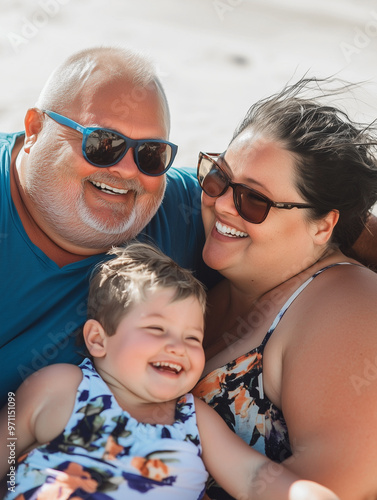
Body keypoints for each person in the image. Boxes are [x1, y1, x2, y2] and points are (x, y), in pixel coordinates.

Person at [0, 243, 338, 500]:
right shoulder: (60, 386)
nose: (177, 346)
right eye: (157, 330)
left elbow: (253, 477)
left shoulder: (193, 418)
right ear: (98, 339)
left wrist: (306, 493)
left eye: (192, 337)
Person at [191, 77, 377, 500]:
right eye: (218, 179)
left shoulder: (349, 306)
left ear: (324, 225)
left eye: (253, 201)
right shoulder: (208, 282)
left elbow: (333, 488)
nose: (220, 203)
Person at [0, 45, 214, 408]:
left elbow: (296, 200)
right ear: (35, 129)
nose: (128, 170)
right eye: (102, 144)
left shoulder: (184, 209)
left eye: (151, 153)